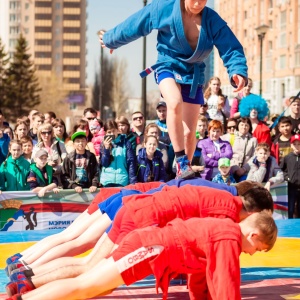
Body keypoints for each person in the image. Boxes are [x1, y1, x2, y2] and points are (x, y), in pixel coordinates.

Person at [5, 179, 270, 281]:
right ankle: (28, 278)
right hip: (139, 209)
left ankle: (25, 267)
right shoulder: (225, 208)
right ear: (255, 212)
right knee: (90, 270)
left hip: (134, 202)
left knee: (75, 244)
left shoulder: (217, 194)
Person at [99, 1, 247, 180]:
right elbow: (137, 23)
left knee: (189, 132)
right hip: (167, 65)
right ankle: (181, 161)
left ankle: (185, 170)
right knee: (174, 102)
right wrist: (111, 39)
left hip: (193, 74)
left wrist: (237, 71)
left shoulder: (211, 20)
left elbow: (230, 47)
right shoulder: (165, 7)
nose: (199, 3)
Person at [6, 212, 277, 299]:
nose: (252, 255)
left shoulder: (224, 229)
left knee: (88, 281)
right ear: (253, 236)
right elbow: (226, 287)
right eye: (258, 249)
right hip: (149, 248)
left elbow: (202, 280)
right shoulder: (229, 238)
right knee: (86, 285)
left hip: (150, 245)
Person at [100, 120, 137, 187]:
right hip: (107, 180)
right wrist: (106, 149)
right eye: (109, 132)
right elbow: (104, 164)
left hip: (122, 180)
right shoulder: (103, 144)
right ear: (105, 133)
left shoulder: (126, 142)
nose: (112, 134)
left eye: (113, 131)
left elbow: (131, 162)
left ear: (117, 130)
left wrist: (133, 182)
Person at [280, 134, 300, 218]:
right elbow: (281, 170)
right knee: (290, 208)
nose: (296, 146)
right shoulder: (287, 157)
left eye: (299, 144)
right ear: (291, 145)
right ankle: (290, 226)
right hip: (291, 186)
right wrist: (287, 177)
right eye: (294, 144)